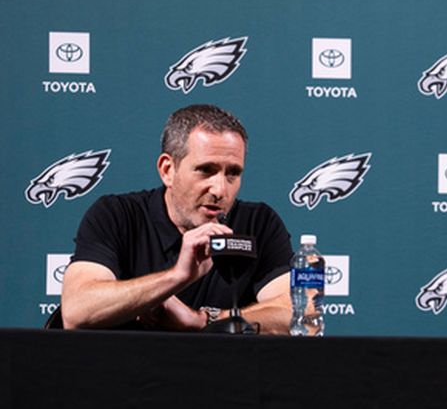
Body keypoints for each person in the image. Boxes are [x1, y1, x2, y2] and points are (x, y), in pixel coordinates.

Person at [62, 104, 294, 333]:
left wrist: (203, 320)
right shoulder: (117, 215)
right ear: (167, 170)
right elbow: (76, 312)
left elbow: (298, 315)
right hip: (128, 367)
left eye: (233, 173)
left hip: (222, 369)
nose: (220, 190)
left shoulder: (259, 223)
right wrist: (177, 277)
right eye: (206, 170)